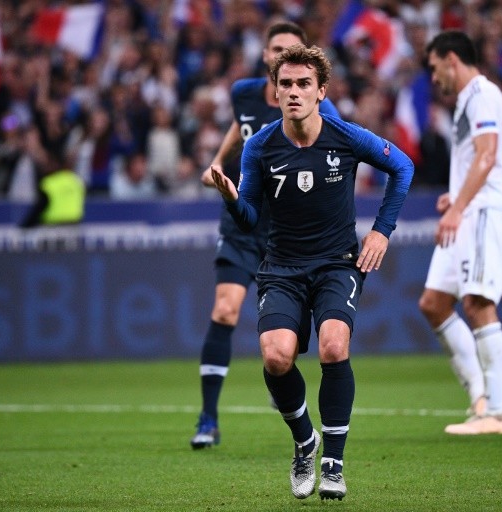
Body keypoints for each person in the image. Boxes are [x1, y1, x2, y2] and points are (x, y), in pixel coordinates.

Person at [211, 45, 414, 500]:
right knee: (276, 358)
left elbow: (402, 166)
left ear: (322, 91)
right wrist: (232, 200)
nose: (294, 92)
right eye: (286, 84)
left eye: (304, 84)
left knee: (334, 345)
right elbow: (250, 219)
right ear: (275, 90)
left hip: (337, 263)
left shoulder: (346, 136)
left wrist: (381, 232)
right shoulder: (260, 146)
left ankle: (334, 463)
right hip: (281, 267)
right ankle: (305, 440)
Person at [189, 21, 340, 450]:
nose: (281, 55)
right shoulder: (244, 93)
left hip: (287, 232)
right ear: (265, 54)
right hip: (243, 220)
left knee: (280, 351)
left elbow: (340, 146)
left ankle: (286, 393)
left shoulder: (313, 105)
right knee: (224, 309)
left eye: (291, 50)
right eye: (276, 48)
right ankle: (208, 418)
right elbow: (242, 127)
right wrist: (218, 162)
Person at [418, 31, 502, 435]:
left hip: (481, 213)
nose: (433, 76)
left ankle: (497, 413)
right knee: (434, 302)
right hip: (469, 206)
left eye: (434, 66)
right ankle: (480, 398)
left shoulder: (481, 95)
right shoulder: (473, 101)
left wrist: (460, 206)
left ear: (452, 59)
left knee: (477, 304)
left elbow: (492, 153)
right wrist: (457, 194)